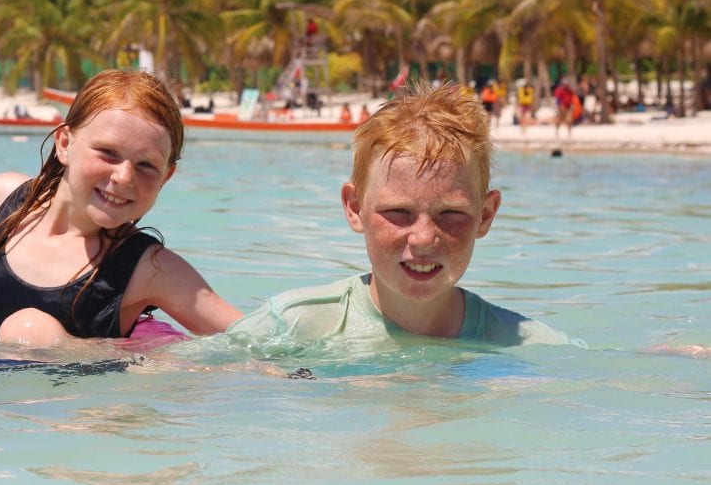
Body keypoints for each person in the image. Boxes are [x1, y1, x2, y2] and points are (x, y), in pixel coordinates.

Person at [227, 82, 576, 347]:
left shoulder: (529, 346)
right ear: (354, 207)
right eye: (398, 212)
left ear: (485, 216)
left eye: (450, 213)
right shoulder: (293, 328)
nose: (424, 238)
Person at [0, 69, 241, 347]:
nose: (124, 176)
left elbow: (251, 339)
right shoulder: (4, 199)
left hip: (74, 412)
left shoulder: (152, 269)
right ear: (64, 144)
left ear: (167, 176)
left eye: (146, 166)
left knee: (30, 331)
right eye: (108, 153)